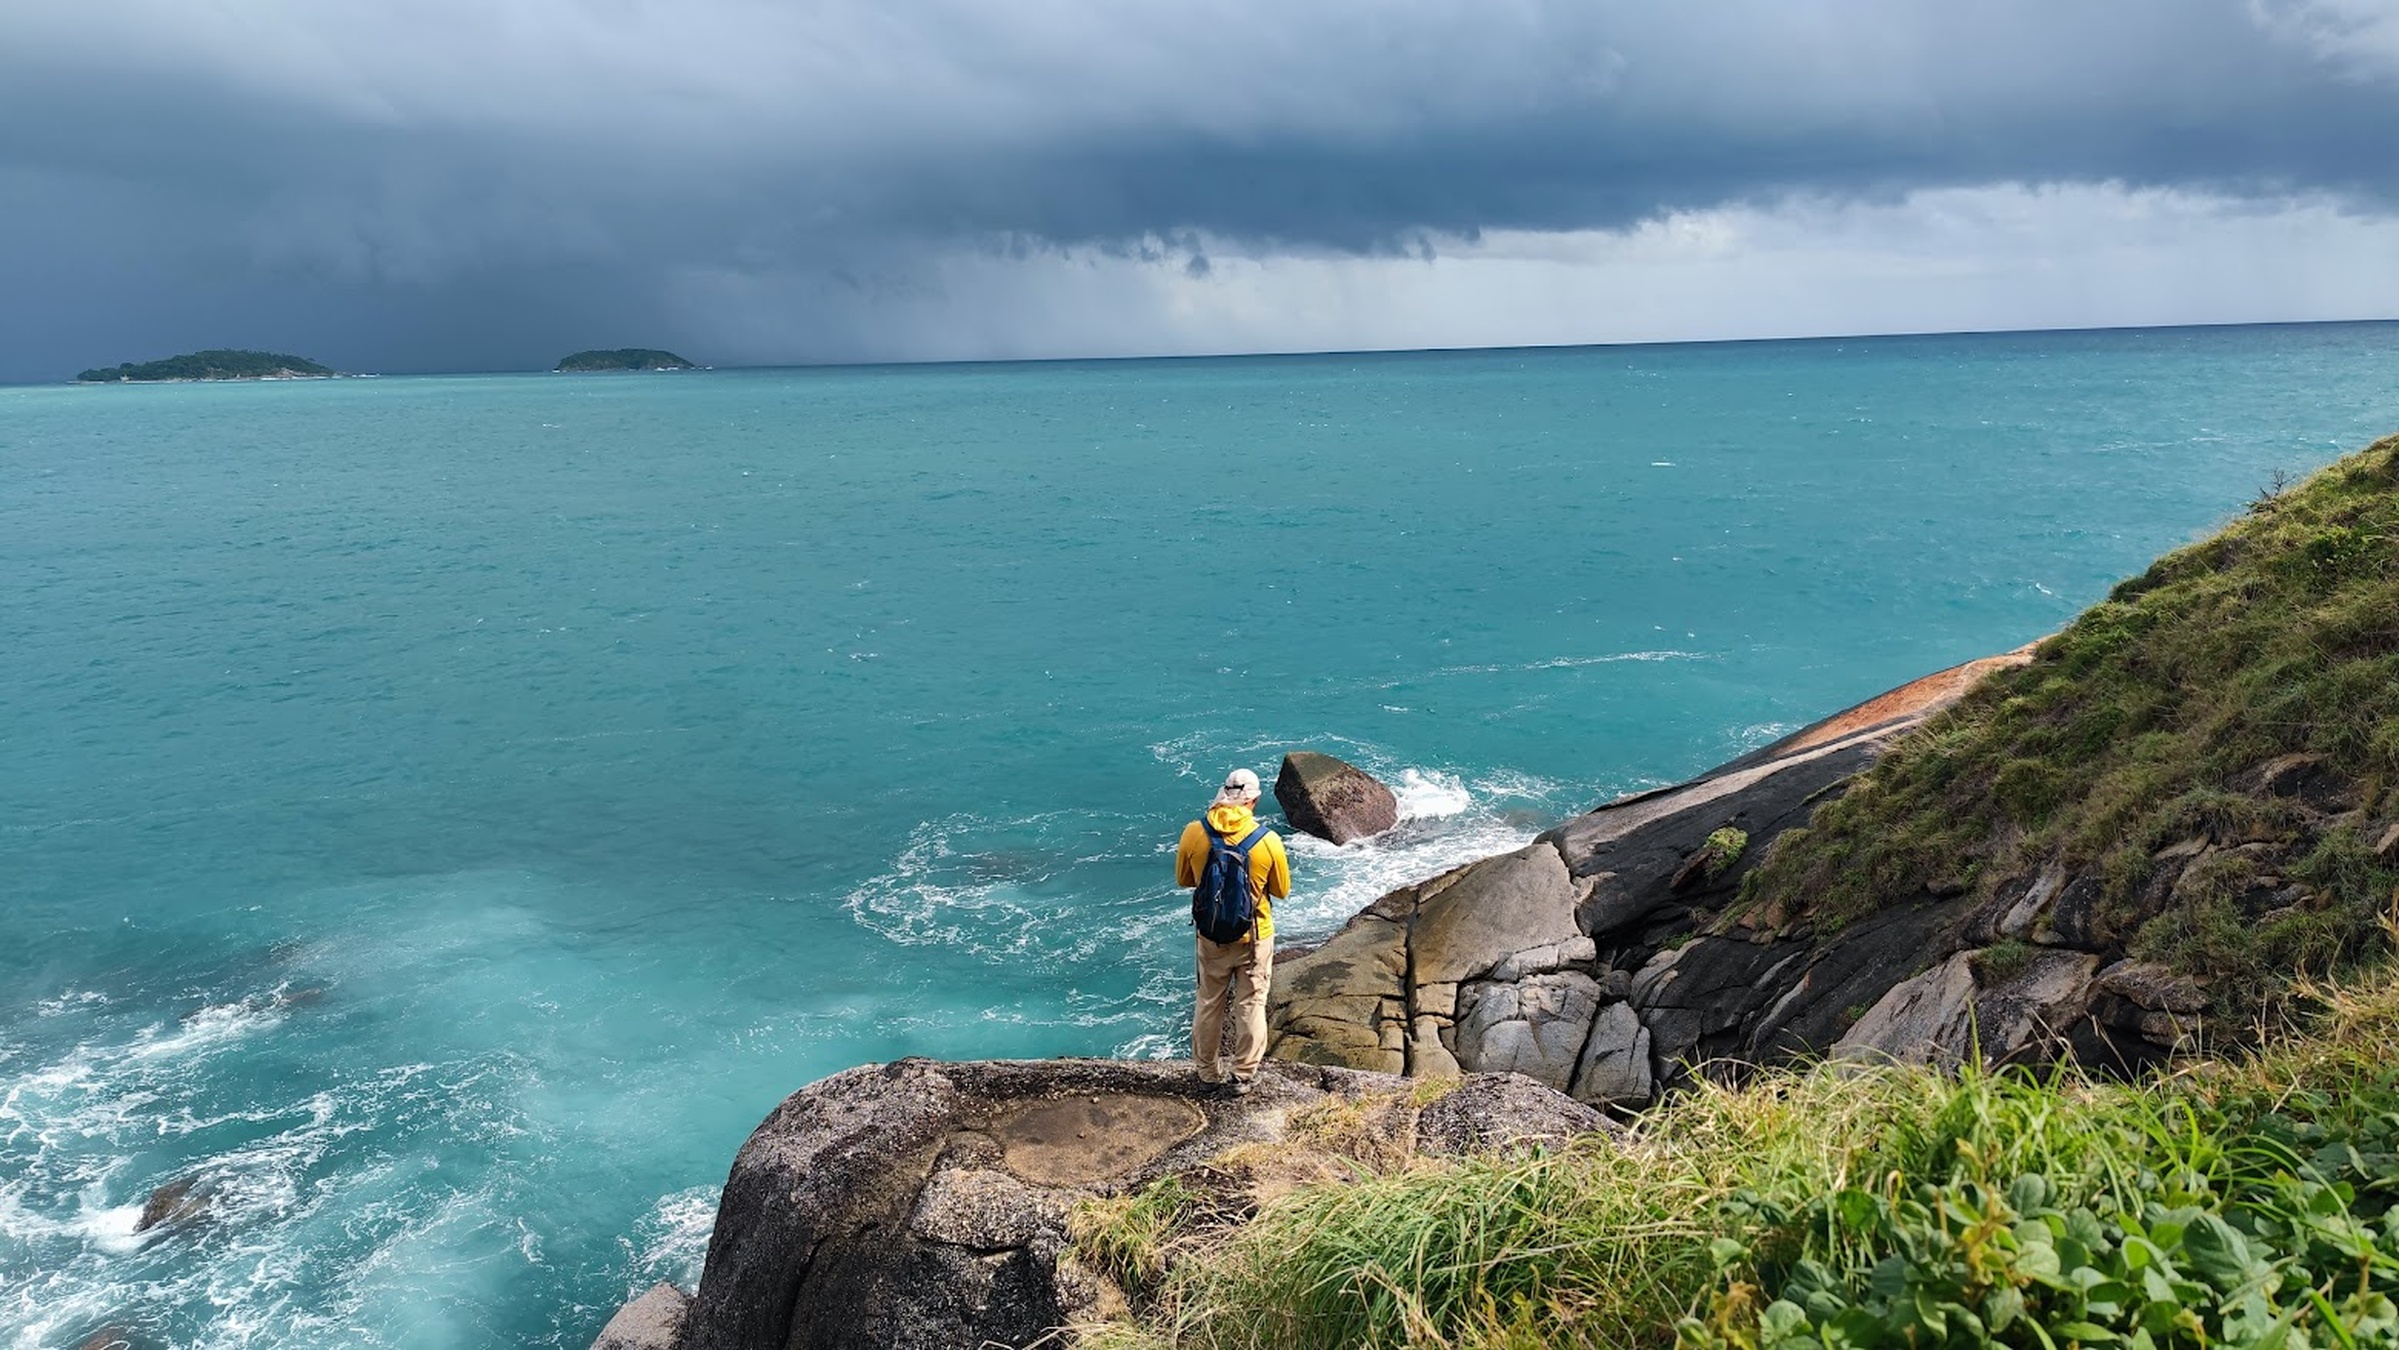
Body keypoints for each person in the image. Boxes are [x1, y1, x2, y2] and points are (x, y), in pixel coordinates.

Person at [1173, 767, 1291, 1095]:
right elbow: (1281, 889)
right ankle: (1242, 1075)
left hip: (1210, 935)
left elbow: (1185, 879)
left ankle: (1207, 1075)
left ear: (1223, 794)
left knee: (1209, 1001)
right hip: (1255, 936)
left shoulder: (1194, 832)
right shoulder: (1267, 840)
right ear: (1254, 800)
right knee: (1251, 1003)